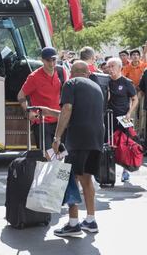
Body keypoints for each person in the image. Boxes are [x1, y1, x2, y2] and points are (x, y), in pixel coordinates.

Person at [41, 61, 104, 237]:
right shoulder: (96, 87)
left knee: (71, 178)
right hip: (96, 137)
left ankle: (73, 223)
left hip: (78, 138)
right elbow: (79, 112)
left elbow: (68, 109)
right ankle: (90, 220)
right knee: (86, 178)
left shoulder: (71, 83)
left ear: (73, 72)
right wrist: (51, 112)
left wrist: (57, 136)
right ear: (87, 72)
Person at [17, 46, 67, 150]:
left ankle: (57, 166)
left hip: (59, 120)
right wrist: (29, 111)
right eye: (48, 60)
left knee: (62, 155)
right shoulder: (34, 77)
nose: (52, 63)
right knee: (47, 155)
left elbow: (66, 93)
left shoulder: (61, 71)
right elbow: (20, 95)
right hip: (42, 122)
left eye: (54, 60)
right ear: (42, 60)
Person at [107, 57, 138, 182]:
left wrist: (129, 113)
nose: (110, 69)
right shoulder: (106, 82)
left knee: (125, 145)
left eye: (112, 66)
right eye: (108, 66)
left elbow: (135, 98)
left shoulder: (126, 82)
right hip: (109, 117)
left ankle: (126, 170)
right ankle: (109, 170)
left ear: (120, 68)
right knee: (109, 144)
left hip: (123, 117)